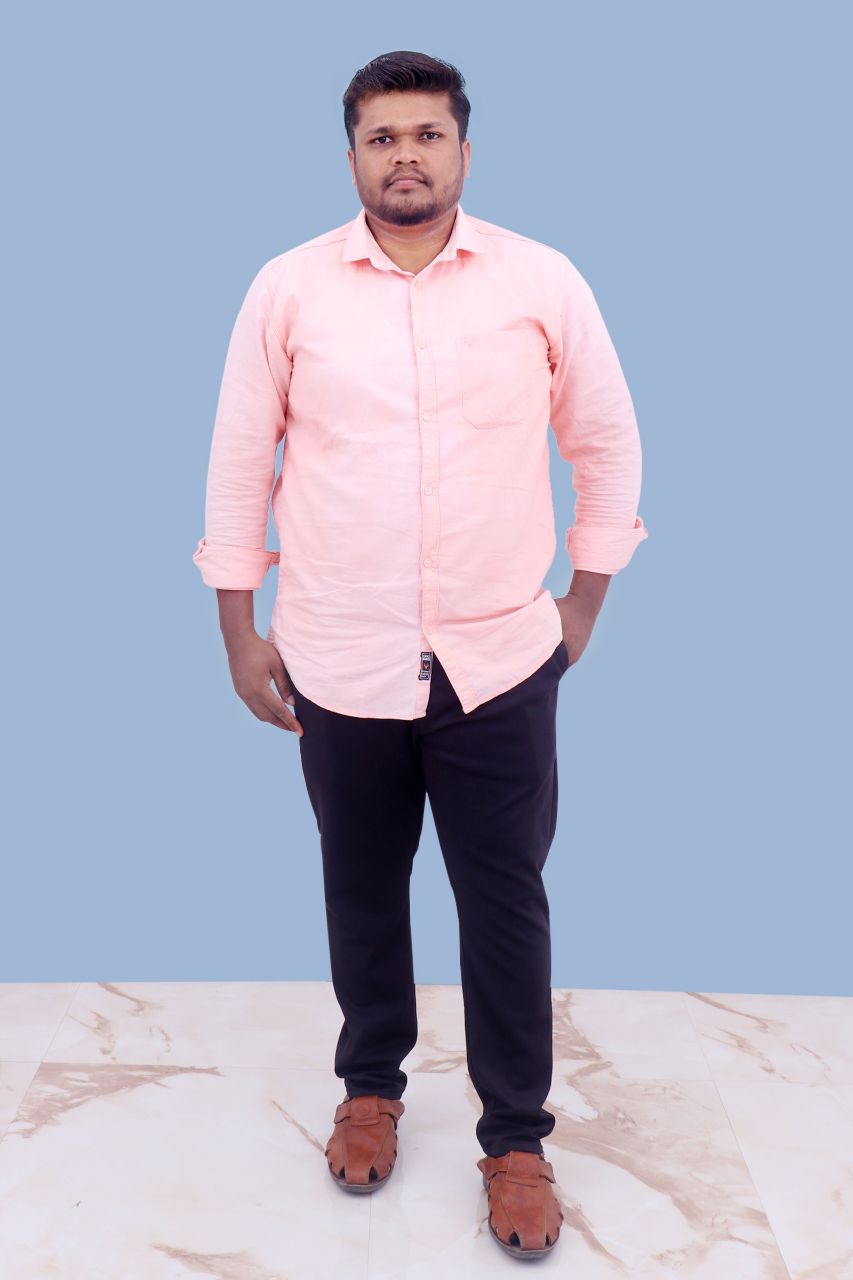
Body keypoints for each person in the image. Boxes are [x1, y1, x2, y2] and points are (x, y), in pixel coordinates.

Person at [192, 49, 648, 1260]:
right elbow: (240, 460)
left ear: (463, 150)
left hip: (500, 658)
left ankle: (516, 1139)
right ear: (351, 155)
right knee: (359, 882)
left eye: (426, 135)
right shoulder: (288, 289)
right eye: (382, 136)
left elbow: (605, 441)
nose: (406, 155)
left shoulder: (540, 280)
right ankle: (370, 1086)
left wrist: (583, 602)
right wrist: (238, 629)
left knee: (505, 897)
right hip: (339, 654)